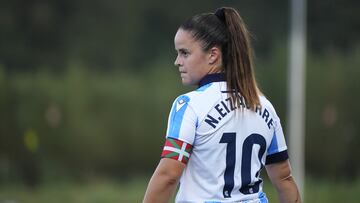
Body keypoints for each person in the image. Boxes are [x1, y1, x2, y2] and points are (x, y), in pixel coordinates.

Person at [143, 7, 301, 203]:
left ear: (213, 55)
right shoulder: (264, 105)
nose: (177, 61)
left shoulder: (188, 105)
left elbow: (168, 176)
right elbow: (284, 178)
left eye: (184, 53)